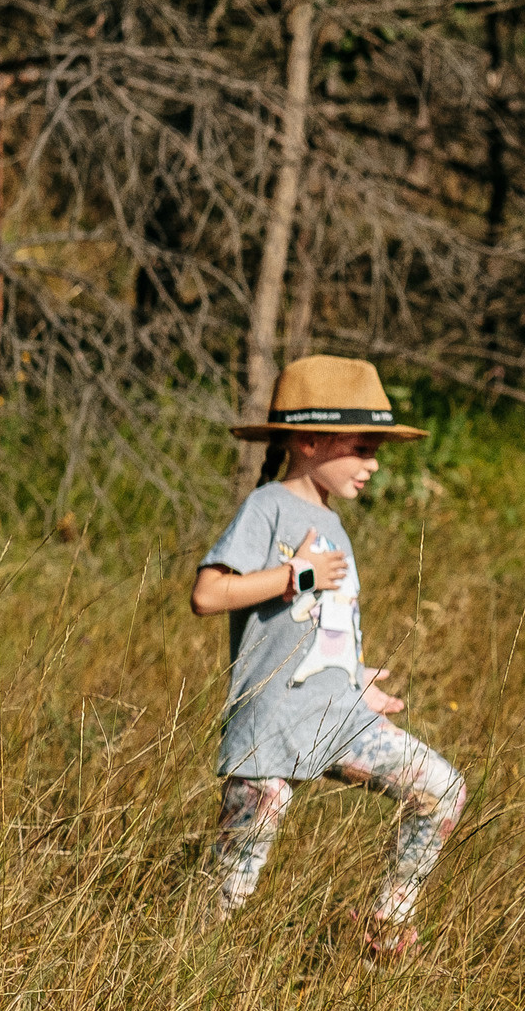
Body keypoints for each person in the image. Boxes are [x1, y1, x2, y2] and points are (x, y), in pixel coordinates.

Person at [191, 354, 466, 961]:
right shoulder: (267, 507)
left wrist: (356, 678)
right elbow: (208, 595)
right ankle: (190, 973)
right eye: (362, 449)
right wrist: (295, 574)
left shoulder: (333, 525)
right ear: (310, 441)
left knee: (441, 790)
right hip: (271, 725)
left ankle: (385, 925)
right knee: (228, 889)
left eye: (376, 451)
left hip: (339, 717)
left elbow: (316, 626)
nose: (373, 465)